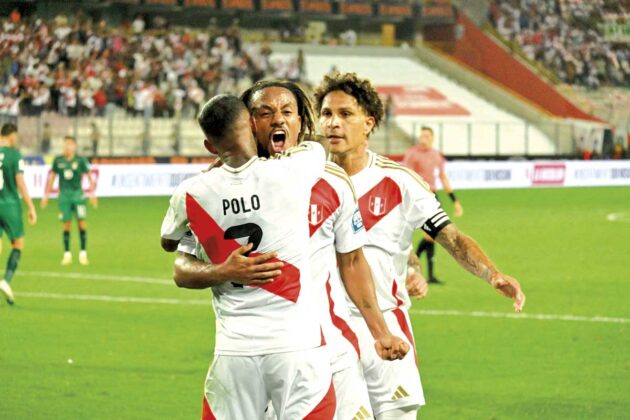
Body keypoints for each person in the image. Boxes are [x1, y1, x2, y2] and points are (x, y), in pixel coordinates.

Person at [168, 80, 410, 419]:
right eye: (265, 113)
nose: (278, 120)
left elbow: (353, 261)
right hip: (251, 355)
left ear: (300, 121)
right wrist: (221, 271)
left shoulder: (333, 182)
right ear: (248, 123)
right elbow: (182, 264)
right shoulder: (214, 190)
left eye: (287, 112)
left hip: (329, 350)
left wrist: (381, 332)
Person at [313, 72, 526, 420]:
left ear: (369, 123)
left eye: (345, 114)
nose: (333, 123)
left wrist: (492, 274)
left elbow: (450, 238)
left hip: (387, 323)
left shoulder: (400, 182)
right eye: (326, 114)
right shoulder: (306, 181)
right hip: (325, 330)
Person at [161, 94, 336, 419]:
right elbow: (318, 144)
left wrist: (224, 269)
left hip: (235, 352)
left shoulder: (192, 193)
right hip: (297, 345)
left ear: (209, 145)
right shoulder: (294, 170)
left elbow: (168, 243)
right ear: (253, 125)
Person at [403, 126, 463, 284]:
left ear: (432, 138)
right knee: (431, 235)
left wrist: (455, 200)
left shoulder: (436, 155)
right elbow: (405, 176)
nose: (424, 139)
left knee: (433, 236)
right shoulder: (412, 154)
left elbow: (443, 177)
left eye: (427, 136)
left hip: (432, 196)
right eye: (422, 136)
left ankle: (426, 274)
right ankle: (412, 267)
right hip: (417, 196)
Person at [41, 136, 97, 265]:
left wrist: (92, 194)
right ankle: (67, 254)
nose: (67, 147)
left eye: (70, 144)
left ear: (74, 147)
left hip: (78, 196)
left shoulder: (80, 160)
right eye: (65, 144)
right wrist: (46, 196)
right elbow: (52, 178)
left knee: (81, 224)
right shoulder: (58, 160)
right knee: (66, 225)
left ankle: (83, 253)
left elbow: (90, 176)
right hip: (64, 197)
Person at [0, 123, 37, 305]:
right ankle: (6, 281)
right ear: (12, 135)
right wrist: (31, 206)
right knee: (18, 243)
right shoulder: (14, 155)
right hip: (10, 205)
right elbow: (20, 182)